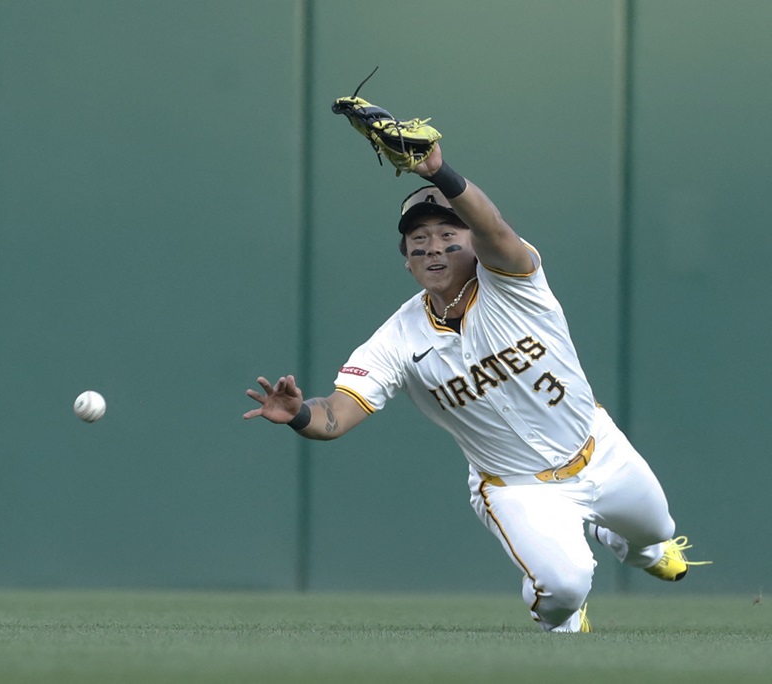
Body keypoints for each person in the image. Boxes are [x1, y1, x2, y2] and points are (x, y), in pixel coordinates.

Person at [243, 137, 708, 633]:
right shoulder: (397, 339)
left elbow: (495, 229)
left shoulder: (514, 282)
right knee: (564, 589)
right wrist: (298, 414)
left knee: (657, 531)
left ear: (473, 244)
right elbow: (335, 415)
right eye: (418, 241)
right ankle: (566, 619)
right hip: (517, 488)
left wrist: (440, 174)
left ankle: (627, 542)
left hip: (598, 450)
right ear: (407, 261)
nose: (433, 247)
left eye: (449, 234)